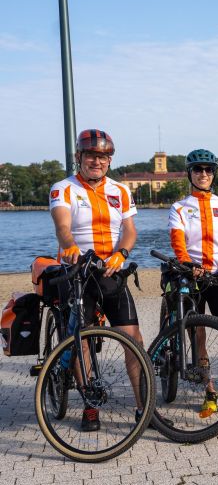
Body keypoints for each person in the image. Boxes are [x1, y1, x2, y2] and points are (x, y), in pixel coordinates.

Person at [49, 129, 145, 431]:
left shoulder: (120, 190)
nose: (97, 161)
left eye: (103, 157)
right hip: (78, 271)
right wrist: (70, 247)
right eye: (91, 155)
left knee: (134, 339)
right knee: (83, 340)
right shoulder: (63, 188)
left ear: (110, 160)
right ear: (79, 157)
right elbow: (62, 227)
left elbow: (130, 230)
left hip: (111, 271)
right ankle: (90, 406)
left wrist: (121, 253)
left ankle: (144, 408)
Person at [168, 149, 218, 416]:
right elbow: (178, 242)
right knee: (198, 334)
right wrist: (189, 265)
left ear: (214, 174)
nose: (204, 174)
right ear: (189, 173)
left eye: (208, 169)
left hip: (217, 276)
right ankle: (210, 392)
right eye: (198, 169)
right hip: (191, 276)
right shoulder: (179, 207)